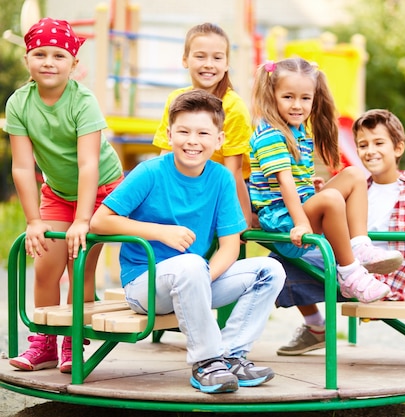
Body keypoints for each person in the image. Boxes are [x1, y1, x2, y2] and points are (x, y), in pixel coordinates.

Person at [90, 89, 286, 394]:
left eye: (203, 133)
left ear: (219, 140)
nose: (192, 140)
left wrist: (201, 279)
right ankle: (206, 362)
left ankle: (231, 355)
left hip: (196, 277)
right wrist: (160, 232)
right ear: (169, 135)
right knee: (193, 264)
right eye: (183, 131)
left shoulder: (221, 178)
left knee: (270, 270)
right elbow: (100, 221)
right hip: (146, 286)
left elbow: (230, 246)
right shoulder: (150, 172)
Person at [275, 109, 405, 356]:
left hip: (390, 276)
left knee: (283, 264)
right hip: (352, 269)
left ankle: (320, 323)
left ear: (398, 148)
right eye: (362, 145)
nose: (369, 150)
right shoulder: (359, 188)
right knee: (277, 264)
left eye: (378, 143)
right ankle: (316, 327)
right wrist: (321, 195)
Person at [4, 18, 124, 373]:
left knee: (80, 268)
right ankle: (43, 342)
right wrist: (34, 221)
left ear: (74, 63)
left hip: (102, 191)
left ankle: (72, 341)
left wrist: (84, 221)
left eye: (59, 55)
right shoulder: (19, 104)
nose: (48, 62)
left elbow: (89, 165)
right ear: (27, 59)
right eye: (39, 54)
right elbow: (24, 168)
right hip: (57, 193)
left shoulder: (82, 101)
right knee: (44, 268)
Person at [248, 57, 403, 306]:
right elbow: (285, 183)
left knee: (354, 175)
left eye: (305, 98)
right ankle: (350, 274)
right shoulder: (271, 135)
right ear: (272, 95)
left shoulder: (298, 132)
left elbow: (295, 182)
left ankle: (360, 245)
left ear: (314, 97)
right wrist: (301, 222)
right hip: (283, 224)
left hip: (296, 211)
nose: (297, 105)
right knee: (331, 198)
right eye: (288, 97)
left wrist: (312, 190)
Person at [152, 22, 253, 227]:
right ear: (185, 60)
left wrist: (242, 218)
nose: (209, 64)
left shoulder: (233, 106)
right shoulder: (175, 99)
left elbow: (233, 171)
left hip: (222, 185)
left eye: (217, 58)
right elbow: (165, 156)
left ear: (226, 64)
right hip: (187, 180)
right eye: (200, 56)